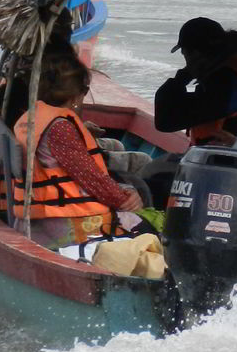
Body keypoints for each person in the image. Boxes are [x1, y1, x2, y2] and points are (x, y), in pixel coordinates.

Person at [11, 53, 143, 249]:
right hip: (61, 225)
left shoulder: (35, 116)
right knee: (145, 228)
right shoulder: (60, 128)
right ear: (76, 96)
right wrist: (128, 198)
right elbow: (93, 179)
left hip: (40, 218)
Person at [153, 17, 237, 145]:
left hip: (225, 160)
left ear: (196, 54)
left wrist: (185, 74)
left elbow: (165, 121)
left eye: (184, 53)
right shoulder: (233, 76)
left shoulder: (223, 84)